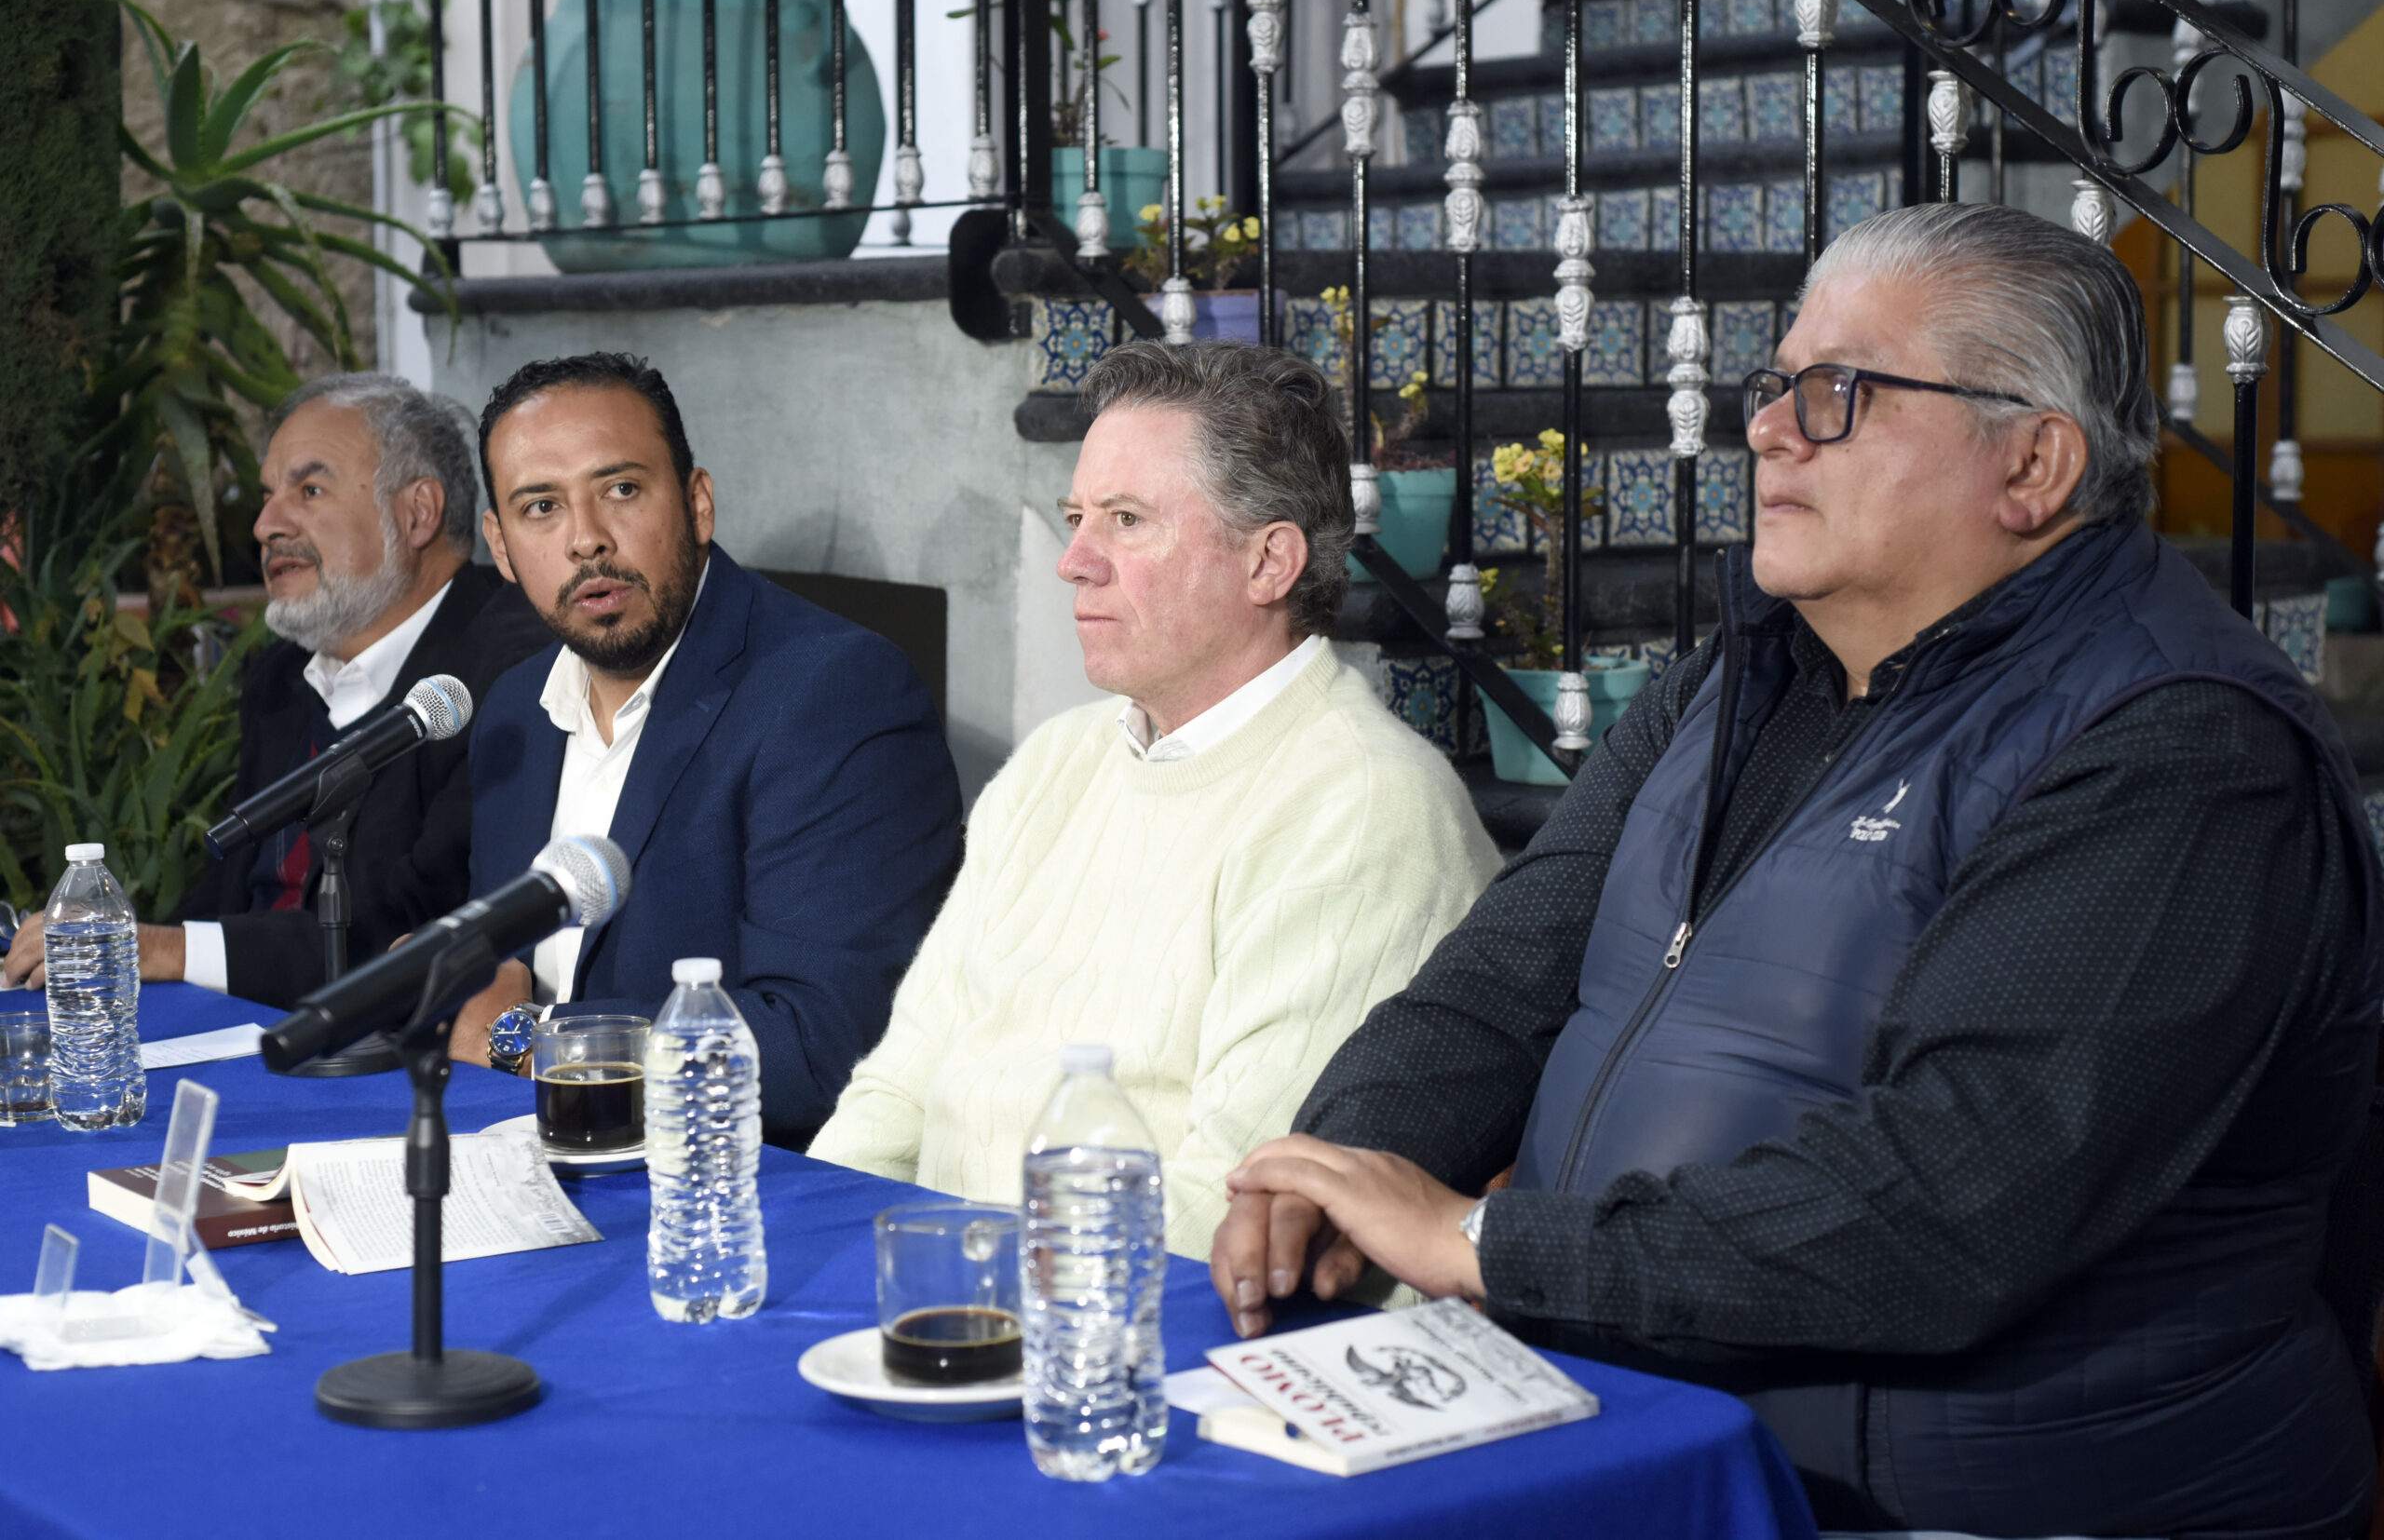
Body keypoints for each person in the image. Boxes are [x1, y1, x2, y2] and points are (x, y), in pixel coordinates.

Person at [1212, 205, 2380, 1538]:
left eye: (1839, 394)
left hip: (1988, 1502)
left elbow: (1947, 1206)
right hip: (1653, 1428)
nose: (1766, 426)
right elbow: (1506, 972)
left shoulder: (2181, 747)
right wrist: (1344, 1159)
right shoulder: (1741, 669)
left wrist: (1484, 1245)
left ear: (2034, 463)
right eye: (1774, 385)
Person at [810, 341, 1501, 1256]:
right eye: (1075, 517)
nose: (1074, 560)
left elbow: (1227, 1210)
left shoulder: (1362, 807)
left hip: (1141, 1344)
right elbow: (897, 1091)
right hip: (939, 1298)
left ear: (1268, 563)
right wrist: (803, 1254)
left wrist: (939, 1280)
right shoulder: (1056, 760)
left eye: (1126, 521)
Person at [447, 352, 961, 1148]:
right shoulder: (515, 709)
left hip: (730, 1198)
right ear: (503, 547)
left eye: (621, 489)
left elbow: (823, 1045)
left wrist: (528, 1039)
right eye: (541, 507)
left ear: (697, 503)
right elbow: (495, 974)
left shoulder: (833, 694)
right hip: (526, 1159)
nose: (586, 539)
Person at [2, 372, 549, 1008]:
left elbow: (413, 927)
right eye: (266, 496)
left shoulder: (506, 668)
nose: (264, 525)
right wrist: (117, 944)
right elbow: (227, 899)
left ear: (417, 511)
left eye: (308, 489)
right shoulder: (281, 676)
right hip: (241, 1026)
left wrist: (161, 947)